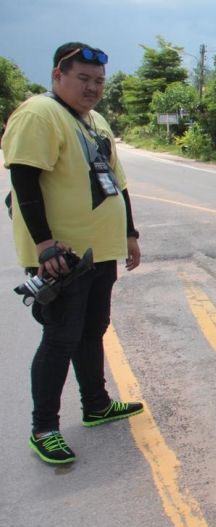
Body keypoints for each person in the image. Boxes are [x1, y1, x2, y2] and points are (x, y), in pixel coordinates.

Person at [2, 42, 144, 465]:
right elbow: (24, 182)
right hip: (62, 257)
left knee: (92, 329)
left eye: (98, 81)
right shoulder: (38, 114)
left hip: (100, 250)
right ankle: (44, 427)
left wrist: (129, 232)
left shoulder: (95, 120)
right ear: (57, 76)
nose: (92, 87)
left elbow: (117, 183)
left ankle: (96, 404)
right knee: (61, 336)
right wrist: (44, 245)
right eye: (82, 78)